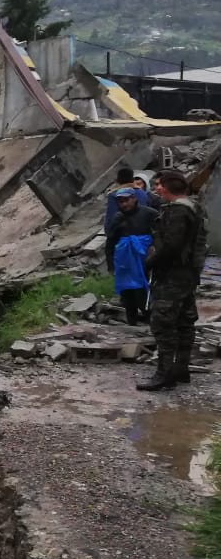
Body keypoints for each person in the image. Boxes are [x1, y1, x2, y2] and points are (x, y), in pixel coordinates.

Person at [136, 169, 209, 391]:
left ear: (168, 187)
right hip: (188, 274)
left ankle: (164, 374)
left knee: (163, 323)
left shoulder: (177, 211)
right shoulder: (194, 206)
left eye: (160, 185)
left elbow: (172, 246)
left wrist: (149, 262)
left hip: (172, 275)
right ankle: (181, 368)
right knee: (185, 322)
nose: (157, 188)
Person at [105, 188, 158, 325]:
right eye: (120, 201)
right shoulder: (117, 218)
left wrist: (154, 250)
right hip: (124, 264)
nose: (124, 204)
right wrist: (111, 264)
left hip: (145, 262)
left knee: (145, 293)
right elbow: (110, 241)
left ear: (134, 198)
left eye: (126, 200)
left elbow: (160, 235)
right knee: (127, 295)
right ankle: (131, 324)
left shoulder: (149, 214)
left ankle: (151, 323)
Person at [104, 167, 149, 232]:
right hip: (142, 233)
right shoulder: (143, 193)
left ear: (117, 180)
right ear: (133, 179)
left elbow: (112, 218)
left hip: (123, 235)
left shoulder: (114, 195)